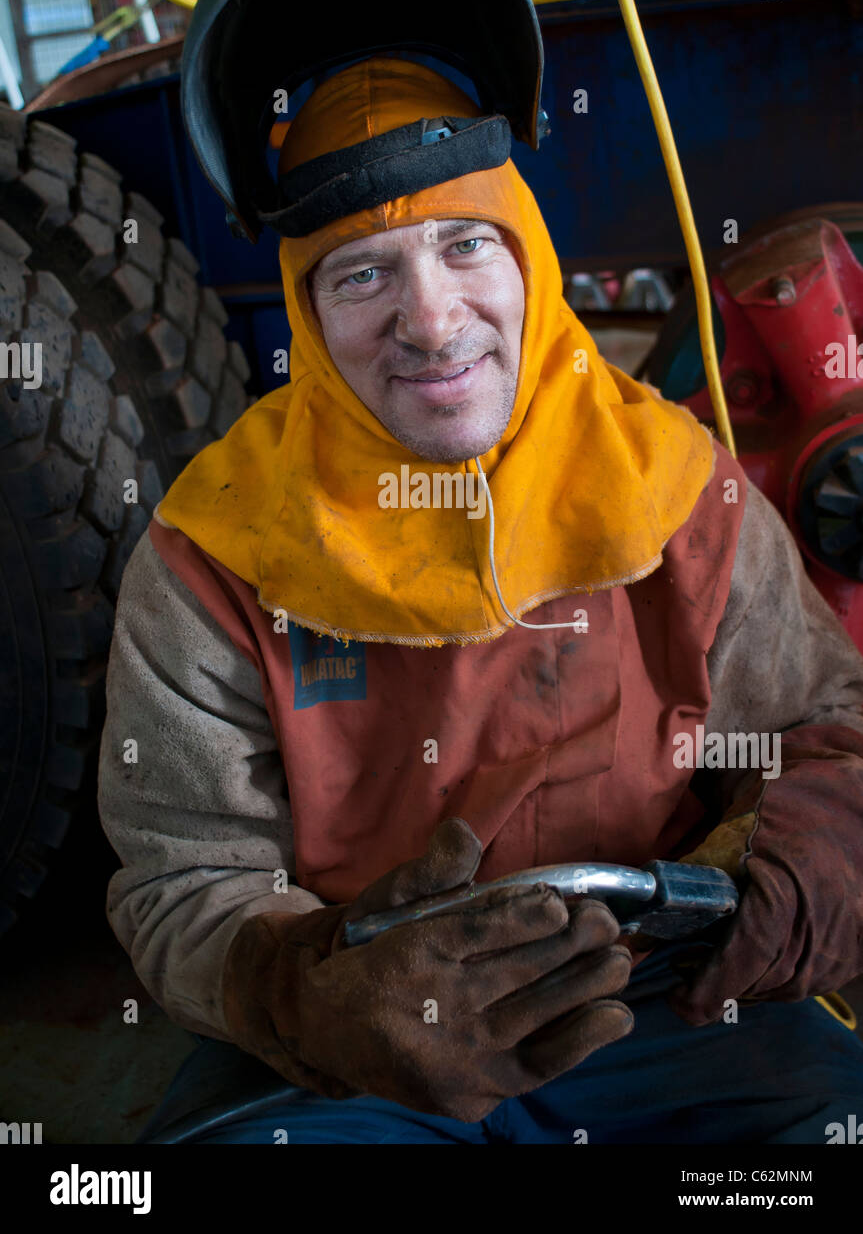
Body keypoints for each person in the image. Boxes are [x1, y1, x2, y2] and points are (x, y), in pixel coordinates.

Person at [98, 56, 863, 1145]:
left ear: (528, 260)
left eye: (464, 244)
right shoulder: (214, 551)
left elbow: (824, 735)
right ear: (306, 313)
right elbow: (184, 879)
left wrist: (811, 848)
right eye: (359, 275)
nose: (429, 319)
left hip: (663, 1001)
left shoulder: (675, 487)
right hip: (362, 1040)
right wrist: (304, 990)